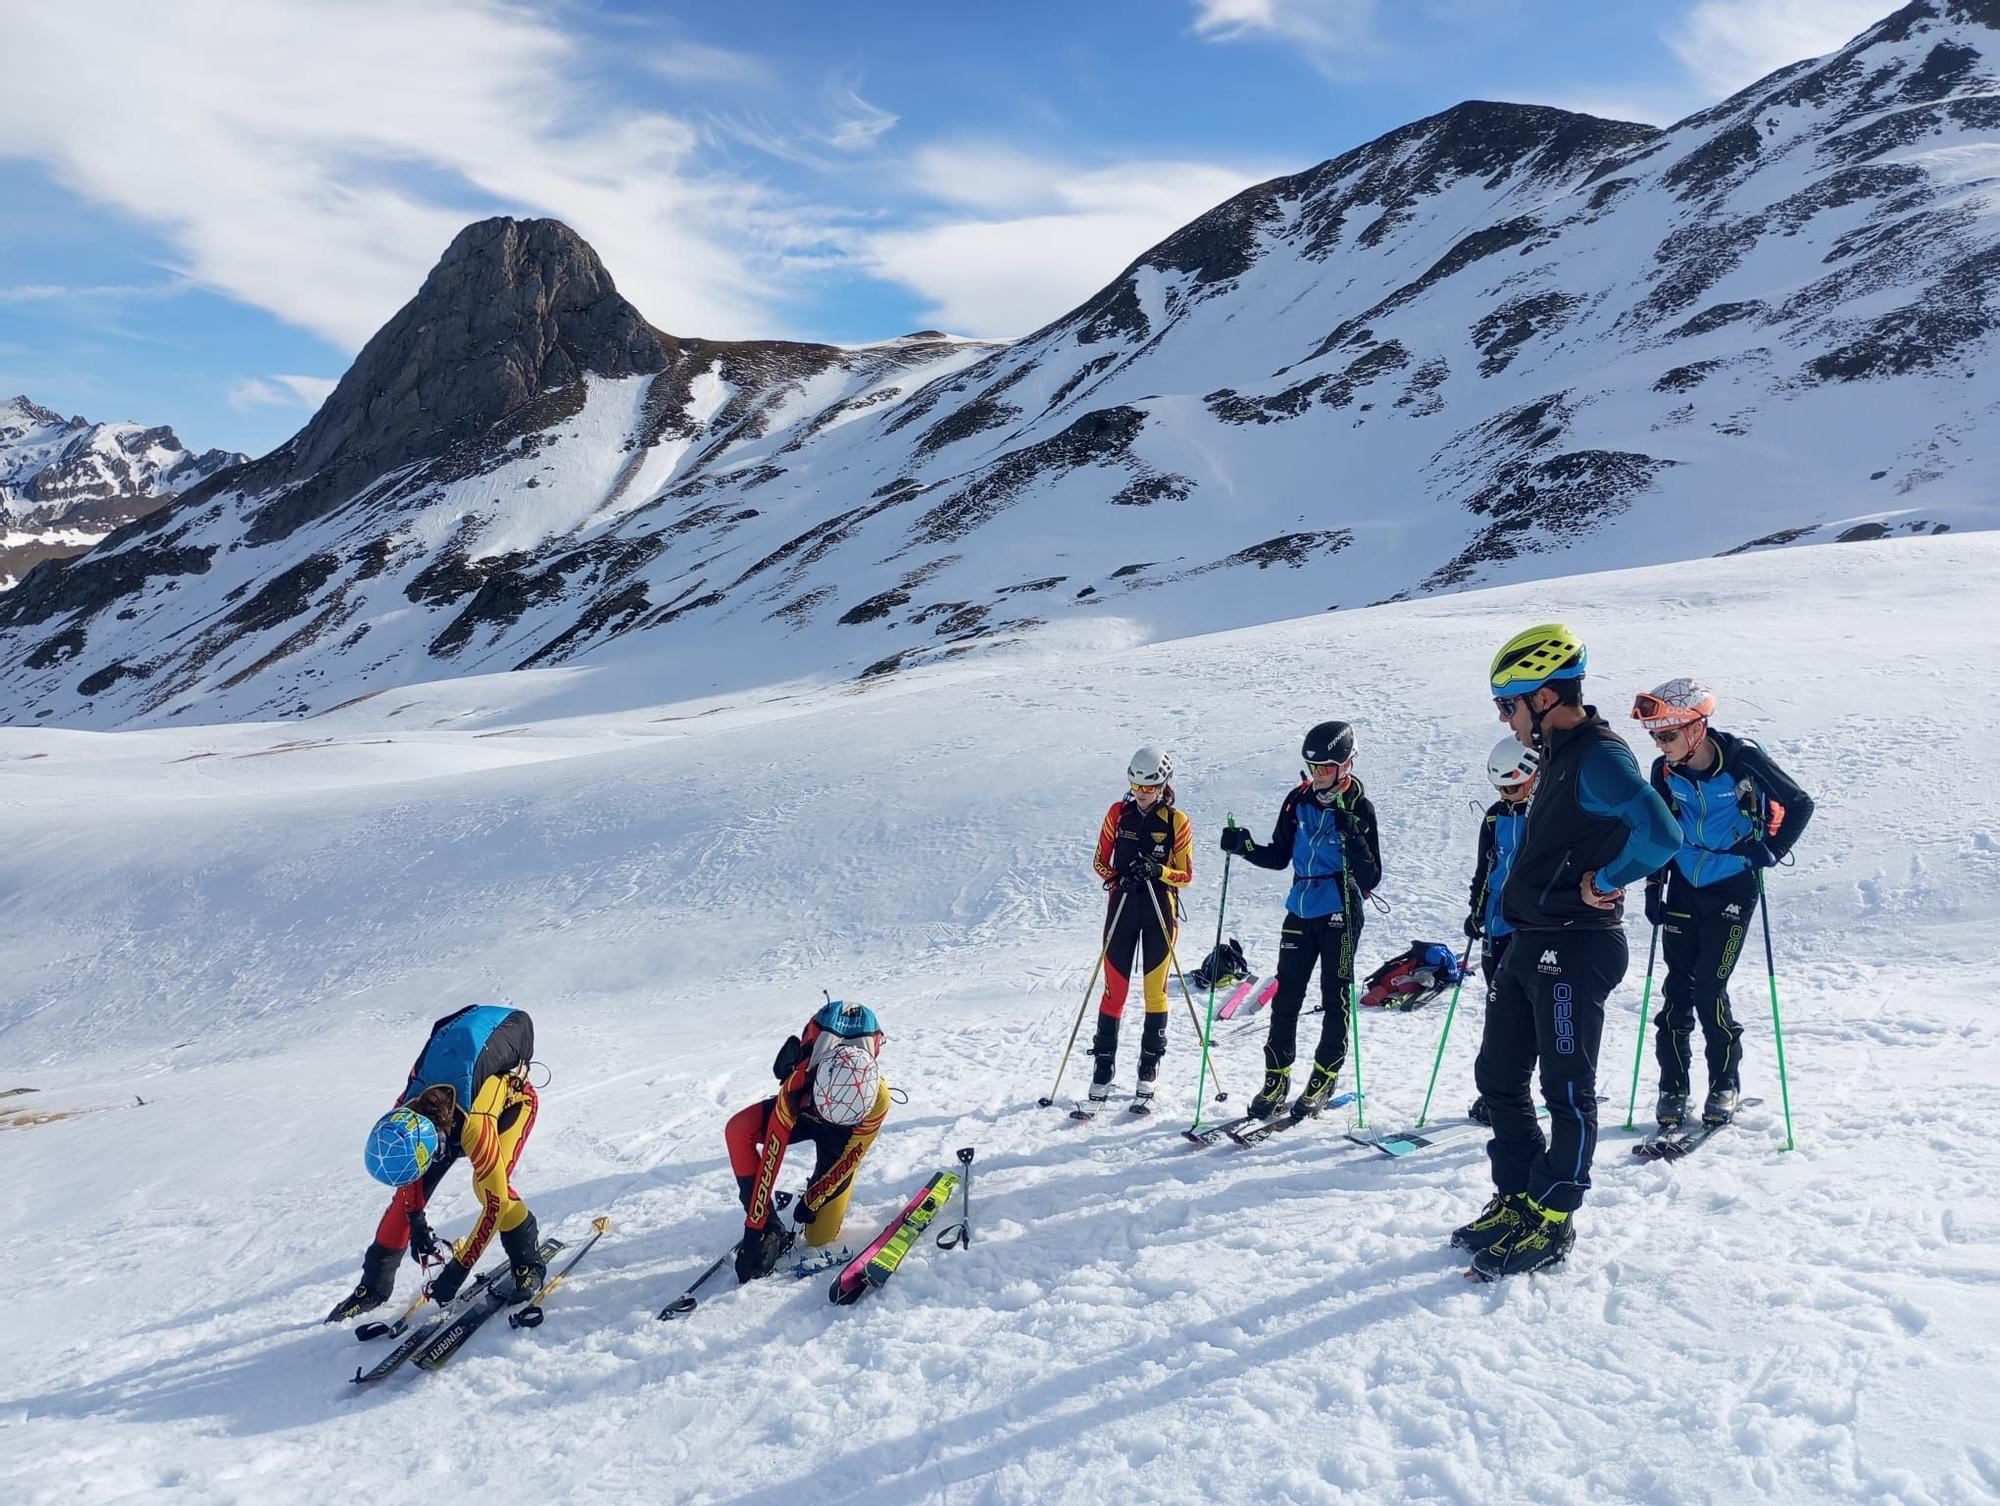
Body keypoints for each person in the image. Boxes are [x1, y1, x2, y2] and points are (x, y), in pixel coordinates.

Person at [1451, 627, 1681, 1279]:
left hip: (1578, 946)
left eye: (1509, 703)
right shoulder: (1556, 752)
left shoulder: (1600, 756)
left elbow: (1661, 832)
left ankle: (1553, 1217)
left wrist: (1608, 882)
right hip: (1532, 939)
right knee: (1497, 1077)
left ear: (1546, 696)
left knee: (1565, 1088)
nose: (1504, 717)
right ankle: (1520, 1194)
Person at [1632, 679, 1815, 1128]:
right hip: (1683, 884)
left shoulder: (1742, 760)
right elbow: (1662, 829)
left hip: (1733, 886)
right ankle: (1672, 1087)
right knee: (1677, 991)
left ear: (1697, 728)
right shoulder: (1664, 771)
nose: (1661, 744)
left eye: (1668, 734)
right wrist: (1655, 885)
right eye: (1656, 736)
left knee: (1709, 989)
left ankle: (1724, 1082)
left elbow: (1799, 802)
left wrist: (1771, 850)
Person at [328, 1004, 543, 1321]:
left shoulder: (475, 1127)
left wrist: (459, 1268)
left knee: (487, 1189)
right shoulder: (404, 1115)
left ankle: (527, 1261)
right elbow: (408, 1174)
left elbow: (494, 1207)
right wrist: (416, 1221)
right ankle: (373, 1286)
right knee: (402, 1205)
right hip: (453, 1109)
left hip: (512, 1105)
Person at [1218, 721, 1383, 1119]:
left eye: (1326, 767)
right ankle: (1276, 1076)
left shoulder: (1360, 806)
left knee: (1335, 995)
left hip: (1340, 907)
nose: (1318, 775)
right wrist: (1244, 847)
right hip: (1300, 906)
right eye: (1313, 768)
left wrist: (1354, 835)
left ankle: (1325, 1075)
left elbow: (1372, 876)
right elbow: (1278, 856)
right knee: (1287, 993)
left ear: (1346, 764)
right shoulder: (1297, 800)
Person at [726, 999, 890, 1282]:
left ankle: (818, 1189)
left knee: (819, 1237)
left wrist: (815, 1199)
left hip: (842, 1138)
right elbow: (772, 1156)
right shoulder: (797, 1084)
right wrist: (755, 1226)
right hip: (805, 1111)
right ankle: (772, 1226)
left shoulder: (878, 1099)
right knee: (739, 1129)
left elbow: (850, 1158)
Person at [1086, 745, 1195, 1111]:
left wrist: (1158, 871)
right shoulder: (1118, 814)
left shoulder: (1176, 821)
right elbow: (1100, 861)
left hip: (1159, 912)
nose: (1141, 793)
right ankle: (1103, 1067)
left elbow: (1186, 875)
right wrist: (1118, 877)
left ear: (1164, 784)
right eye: (1136, 786)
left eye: (1149, 788)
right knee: (1113, 991)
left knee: (1155, 992)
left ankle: (1148, 1069)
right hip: (1122, 907)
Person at [1462, 737, 1540, 1123]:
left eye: (1514, 786)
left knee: (1523, 1017)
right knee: (1497, 1015)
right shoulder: (1495, 816)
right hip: (1497, 929)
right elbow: (1486, 870)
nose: (1507, 795)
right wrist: (1476, 911)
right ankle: (1494, 1092)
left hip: (1532, 931)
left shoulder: (1545, 814)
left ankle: (1514, 1091)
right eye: (1501, 789)